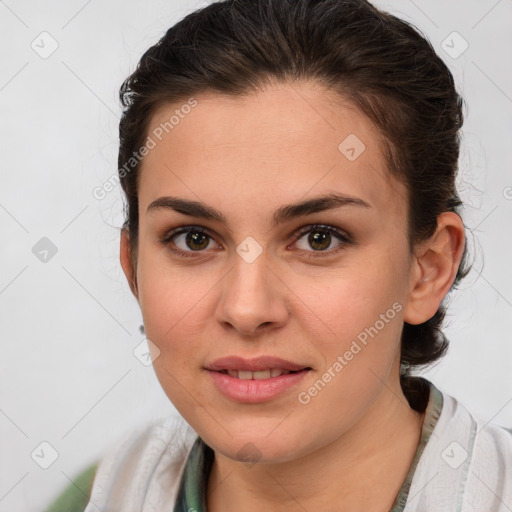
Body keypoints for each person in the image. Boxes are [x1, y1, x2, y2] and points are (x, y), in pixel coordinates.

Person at [45, 0, 512, 510]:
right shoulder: (97, 495)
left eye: (319, 238)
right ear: (133, 265)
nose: (247, 310)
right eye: (193, 239)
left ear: (427, 270)